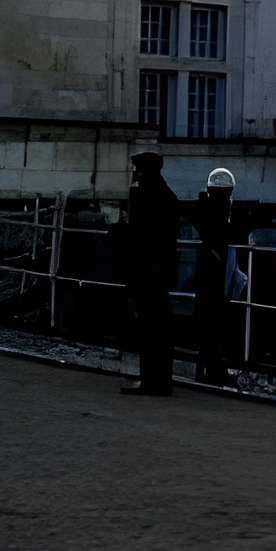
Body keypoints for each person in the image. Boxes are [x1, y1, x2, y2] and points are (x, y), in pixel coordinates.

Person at [117, 150, 180, 395]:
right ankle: (157, 380)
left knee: (150, 326)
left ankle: (153, 381)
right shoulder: (165, 195)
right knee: (157, 326)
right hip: (156, 271)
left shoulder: (147, 196)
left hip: (148, 271)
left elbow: (141, 236)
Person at [189, 167, 248, 386]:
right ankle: (213, 368)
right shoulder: (221, 217)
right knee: (215, 322)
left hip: (208, 276)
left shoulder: (204, 213)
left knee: (208, 322)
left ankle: (206, 367)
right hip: (216, 277)